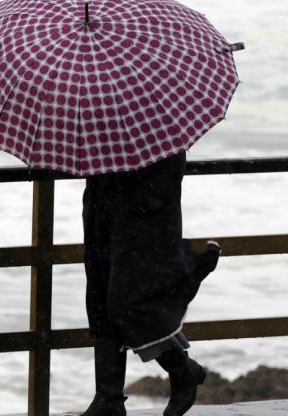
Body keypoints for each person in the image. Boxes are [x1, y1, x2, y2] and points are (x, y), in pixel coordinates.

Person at [79, 151, 222, 416]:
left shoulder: (153, 127)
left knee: (127, 304)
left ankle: (182, 370)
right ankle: (108, 398)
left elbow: (165, 178)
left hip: (141, 215)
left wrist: (131, 182)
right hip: (102, 201)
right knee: (99, 301)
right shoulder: (102, 118)